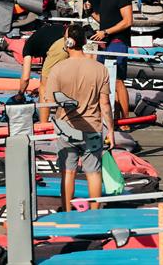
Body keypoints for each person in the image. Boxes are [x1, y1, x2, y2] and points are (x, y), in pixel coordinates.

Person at [44, 24, 115, 213]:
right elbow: (105, 104)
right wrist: (111, 130)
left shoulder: (58, 69)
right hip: (92, 126)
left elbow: (50, 102)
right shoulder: (100, 69)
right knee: (93, 172)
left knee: (68, 172)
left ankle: (67, 210)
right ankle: (94, 212)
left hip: (66, 127)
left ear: (67, 43)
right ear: (84, 42)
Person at [90, 0, 132, 121]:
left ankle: (126, 119)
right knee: (105, 80)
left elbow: (128, 21)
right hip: (105, 43)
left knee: (118, 80)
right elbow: (104, 20)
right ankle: (113, 116)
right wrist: (91, 13)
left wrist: (106, 32)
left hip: (118, 41)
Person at [17, 23, 69, 123]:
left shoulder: (27, 48)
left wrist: (20, 94)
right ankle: (66, 118)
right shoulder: (42, 39)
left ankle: (43, 124)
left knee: (44, 87)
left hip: (60, 45)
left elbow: (25, 77)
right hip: (71, 39)